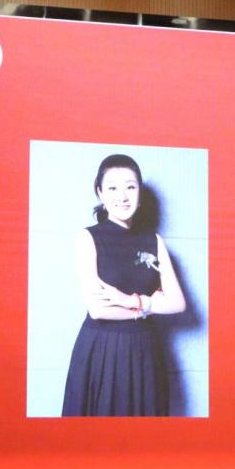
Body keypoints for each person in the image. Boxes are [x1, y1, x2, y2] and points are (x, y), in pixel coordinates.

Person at [62, 154, 186, 416]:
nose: (122, 196)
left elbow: (177, 303)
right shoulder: (88, 237)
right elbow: (98, 309)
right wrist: (149, 306)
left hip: (146, 351)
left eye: (130, 187)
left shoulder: (155, 241)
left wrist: (130, 301)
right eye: (112, 188)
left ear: (139, 193)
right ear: (100, 193)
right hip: (102, 349)